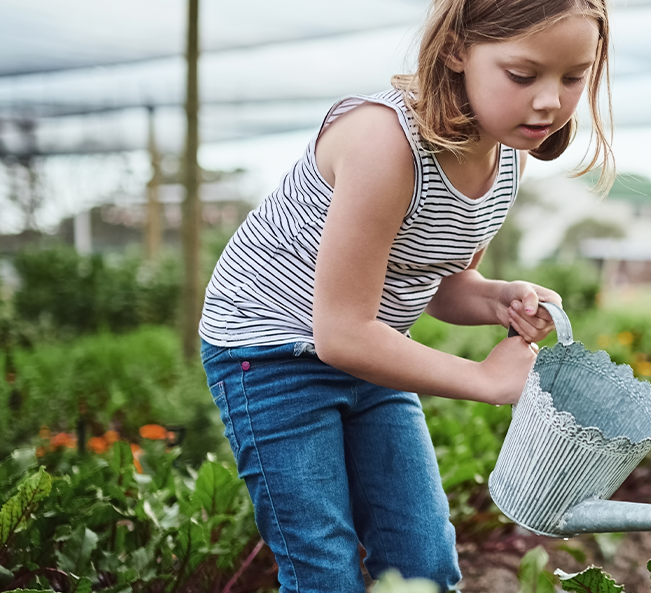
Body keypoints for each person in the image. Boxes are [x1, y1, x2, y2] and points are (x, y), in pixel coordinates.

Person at [196, 0, 613, 588]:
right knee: (324, 567)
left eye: (574, 78)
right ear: (457, 50)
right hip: (269, 353)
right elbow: (339, 332)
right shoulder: (383, 141)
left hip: (370, 351)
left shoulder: (503, 158)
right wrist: (485, 381)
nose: (550, 100)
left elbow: (440, 283)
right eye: (523, 75)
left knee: (423, 557)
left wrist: (497, 299)